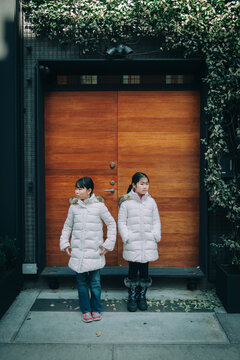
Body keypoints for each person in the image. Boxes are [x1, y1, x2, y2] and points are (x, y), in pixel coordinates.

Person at [60, 177, 116, 323]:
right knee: (81, 283)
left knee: (96, 283)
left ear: (89, 190)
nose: (76, 191)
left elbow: (111, 224)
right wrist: (65, 243)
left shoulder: (99, 206)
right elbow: (67, 226)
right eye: (76, 188)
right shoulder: (73, 207)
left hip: (94, 252)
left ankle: (96, 309)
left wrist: (108, 244)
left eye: (80, 188)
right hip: (78, 253)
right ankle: (86, 310)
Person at [118, 172, 161, 312]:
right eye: (142, 184)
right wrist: (126, 237)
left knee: (144, 270)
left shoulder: (151, 202)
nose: (145, 186)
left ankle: (142, 296)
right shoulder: (126, 202)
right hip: (133, 242)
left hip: (148, 241)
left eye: (147, 183)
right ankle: (132, 296)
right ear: (134, 185)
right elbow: (121, 222)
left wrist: (155, 235)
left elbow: (156, 221)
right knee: (133, 269)